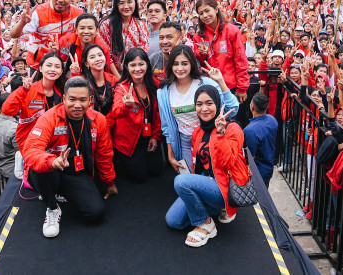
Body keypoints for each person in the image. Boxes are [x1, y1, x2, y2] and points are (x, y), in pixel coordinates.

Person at [21, 77, 117, 238]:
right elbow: (31, 150)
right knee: (39, 169)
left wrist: (109, 182)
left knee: (95, 213)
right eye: (72, 99)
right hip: (52, 171)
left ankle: (60, 193)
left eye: (83, 100)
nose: (77, 105)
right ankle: (52, 207)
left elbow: (104, 154)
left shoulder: (98, 119)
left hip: (78, 173)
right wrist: (51, 161)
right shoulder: (48, 118)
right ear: (64, 98)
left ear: (90, 100)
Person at [165, 85, 250, 247]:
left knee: (181, 181)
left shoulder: (232, 128)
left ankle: (205, 223)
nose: (204, 108)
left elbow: (228, 162)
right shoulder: (198, 131)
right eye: (199, 104)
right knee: (173, 221)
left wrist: (219, 134)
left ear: (217, 104)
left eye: (209, 103)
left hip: (225, 187)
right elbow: (199, 165)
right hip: (208, 182)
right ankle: (208, 210)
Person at [157, 45, 238, 173]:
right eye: (175, 64)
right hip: (184, 142)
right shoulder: (163, 92)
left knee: (211, 177)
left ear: (192, 64)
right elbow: (166, 127)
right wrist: (170, 155)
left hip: (209, 137)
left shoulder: (205, 83)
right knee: (190, 178)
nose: (180, 68)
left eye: (184, 63)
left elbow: (232, 108)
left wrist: (221, 81)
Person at [107, 48, 162, 182]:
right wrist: (126, 106)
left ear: (147, 65)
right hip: (129, 140)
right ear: (126, 67)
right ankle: (121, 158)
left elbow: (158, 113)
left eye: (141, 64)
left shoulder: (155, 84)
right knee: (140, 177)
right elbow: (115, 112)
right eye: (133, 65)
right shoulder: (122, 88)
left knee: (157, 170)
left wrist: (155, 136)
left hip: (148, 134)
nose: (137, 69)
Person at [0, 53, 63, 167]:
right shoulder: (28, 89)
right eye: (49, 65)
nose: (53, 69)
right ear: (40, 68)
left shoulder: (63, 92)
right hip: (31, 146)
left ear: (62, 71)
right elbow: (7, 110)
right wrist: (23, 90)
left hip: (55, 146)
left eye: (57, 67)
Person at [10, 0, 84, 69]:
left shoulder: (79, 14)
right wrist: (22, 23)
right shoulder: (39, 11)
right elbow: (13, 34)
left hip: (66, 65)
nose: (61, 0)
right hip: (38, 65)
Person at [192, 0, 249, 103]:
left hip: (230, 86)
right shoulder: (198, 36)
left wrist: (242, 87)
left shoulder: (231, 30)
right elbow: (198, 63)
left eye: (207, 11)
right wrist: (201, 53)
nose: (205, 16)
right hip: (209, 87)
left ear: (216, 9)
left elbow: (240, 59)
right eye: (201, 13)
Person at [97, 0, 149, 73]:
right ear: (116, 5)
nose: (126, 6)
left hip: (134, 73)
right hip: (111, 74)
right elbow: (105, 53)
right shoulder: (106, 25)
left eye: (129, 2)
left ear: (135, 3)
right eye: (121, 3)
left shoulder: (141, 25)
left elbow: (143, 51)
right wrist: (118, 78)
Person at [57, 13, 119, 79]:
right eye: (82, 28)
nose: (86, 31)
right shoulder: (65, 42)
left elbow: (105, 72)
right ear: (76, 30)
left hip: (92, 84)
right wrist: (54, 52)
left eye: (90, 28)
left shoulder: (102, 48)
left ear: (97, 31)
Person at [243, 92, 278, 187]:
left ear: (252, 107)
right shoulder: (272, 120)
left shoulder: (250, 130)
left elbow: (251, 157)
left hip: (257, 174)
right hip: (268, 169)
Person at [79, 43, 118, 116]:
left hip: (109, 123)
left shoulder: (113, 80)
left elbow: (115, 108)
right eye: (92, 57)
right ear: (87, 63)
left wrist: (104, 124)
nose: (98, 59)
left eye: (100, 55)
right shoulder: (81, 81)